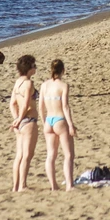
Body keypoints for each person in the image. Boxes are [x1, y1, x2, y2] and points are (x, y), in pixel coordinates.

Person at [39, 59, 77, 191]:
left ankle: (53, 185)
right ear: (63, 70)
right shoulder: (63, 86)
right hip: (60, 119)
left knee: (51, 155)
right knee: (68, 155)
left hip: (49, 120)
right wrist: (71, 125)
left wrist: (44, 123)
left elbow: (40, 107)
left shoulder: (44, 85)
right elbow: (65, 107)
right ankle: (69, 185)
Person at [10, 55, 39, 192]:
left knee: (19, 156)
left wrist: (16, 119)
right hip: (28, 121)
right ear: (28, 68)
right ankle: (23, 185)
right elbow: (26, 104)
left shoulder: (18, 82)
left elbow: (12, 104)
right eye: (34, 66)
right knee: (27, 155)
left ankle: (15, 186)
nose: (35, 68)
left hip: (20, 122)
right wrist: (20, 119)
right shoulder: (28, 83)